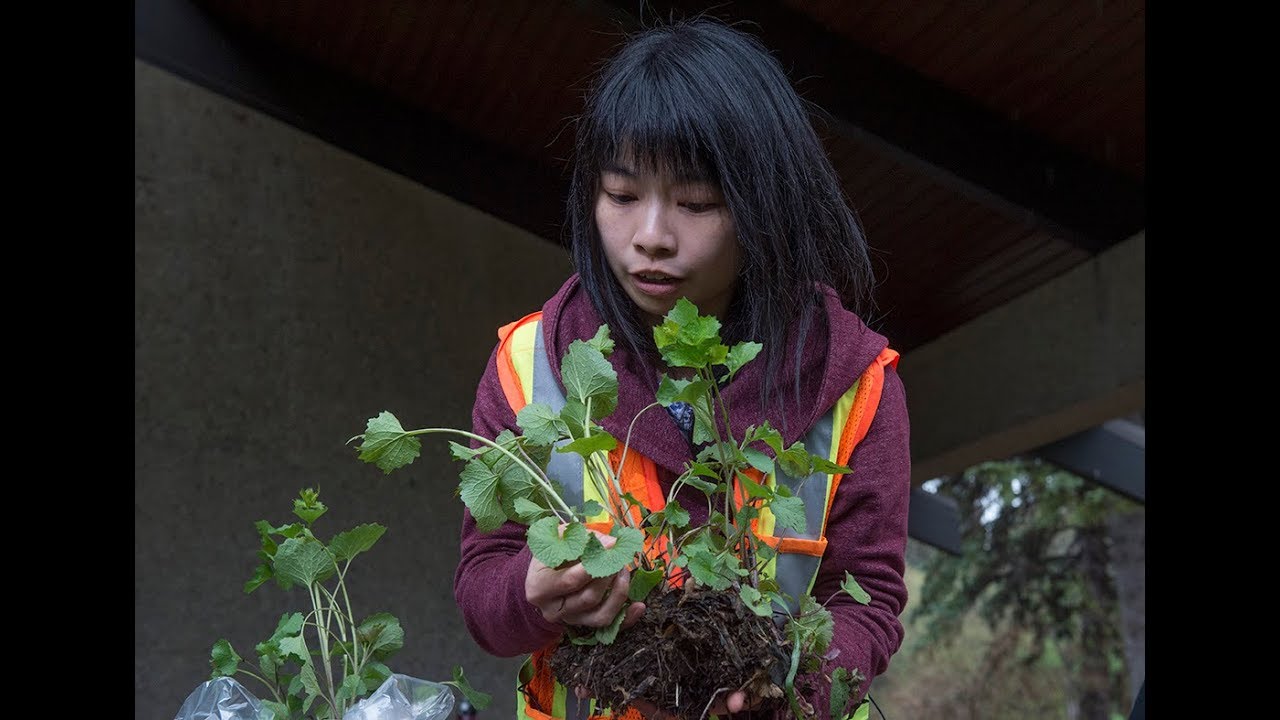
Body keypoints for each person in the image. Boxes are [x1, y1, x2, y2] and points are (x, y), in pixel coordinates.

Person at [453, 16, 911, 720]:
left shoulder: (856, 383)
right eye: (622, 195)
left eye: (696, 203)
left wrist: (790, 692)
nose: (651, 238)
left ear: (765, 204)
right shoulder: (530, 364)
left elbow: (870, 600)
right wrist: (529, 592)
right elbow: (484, 595)